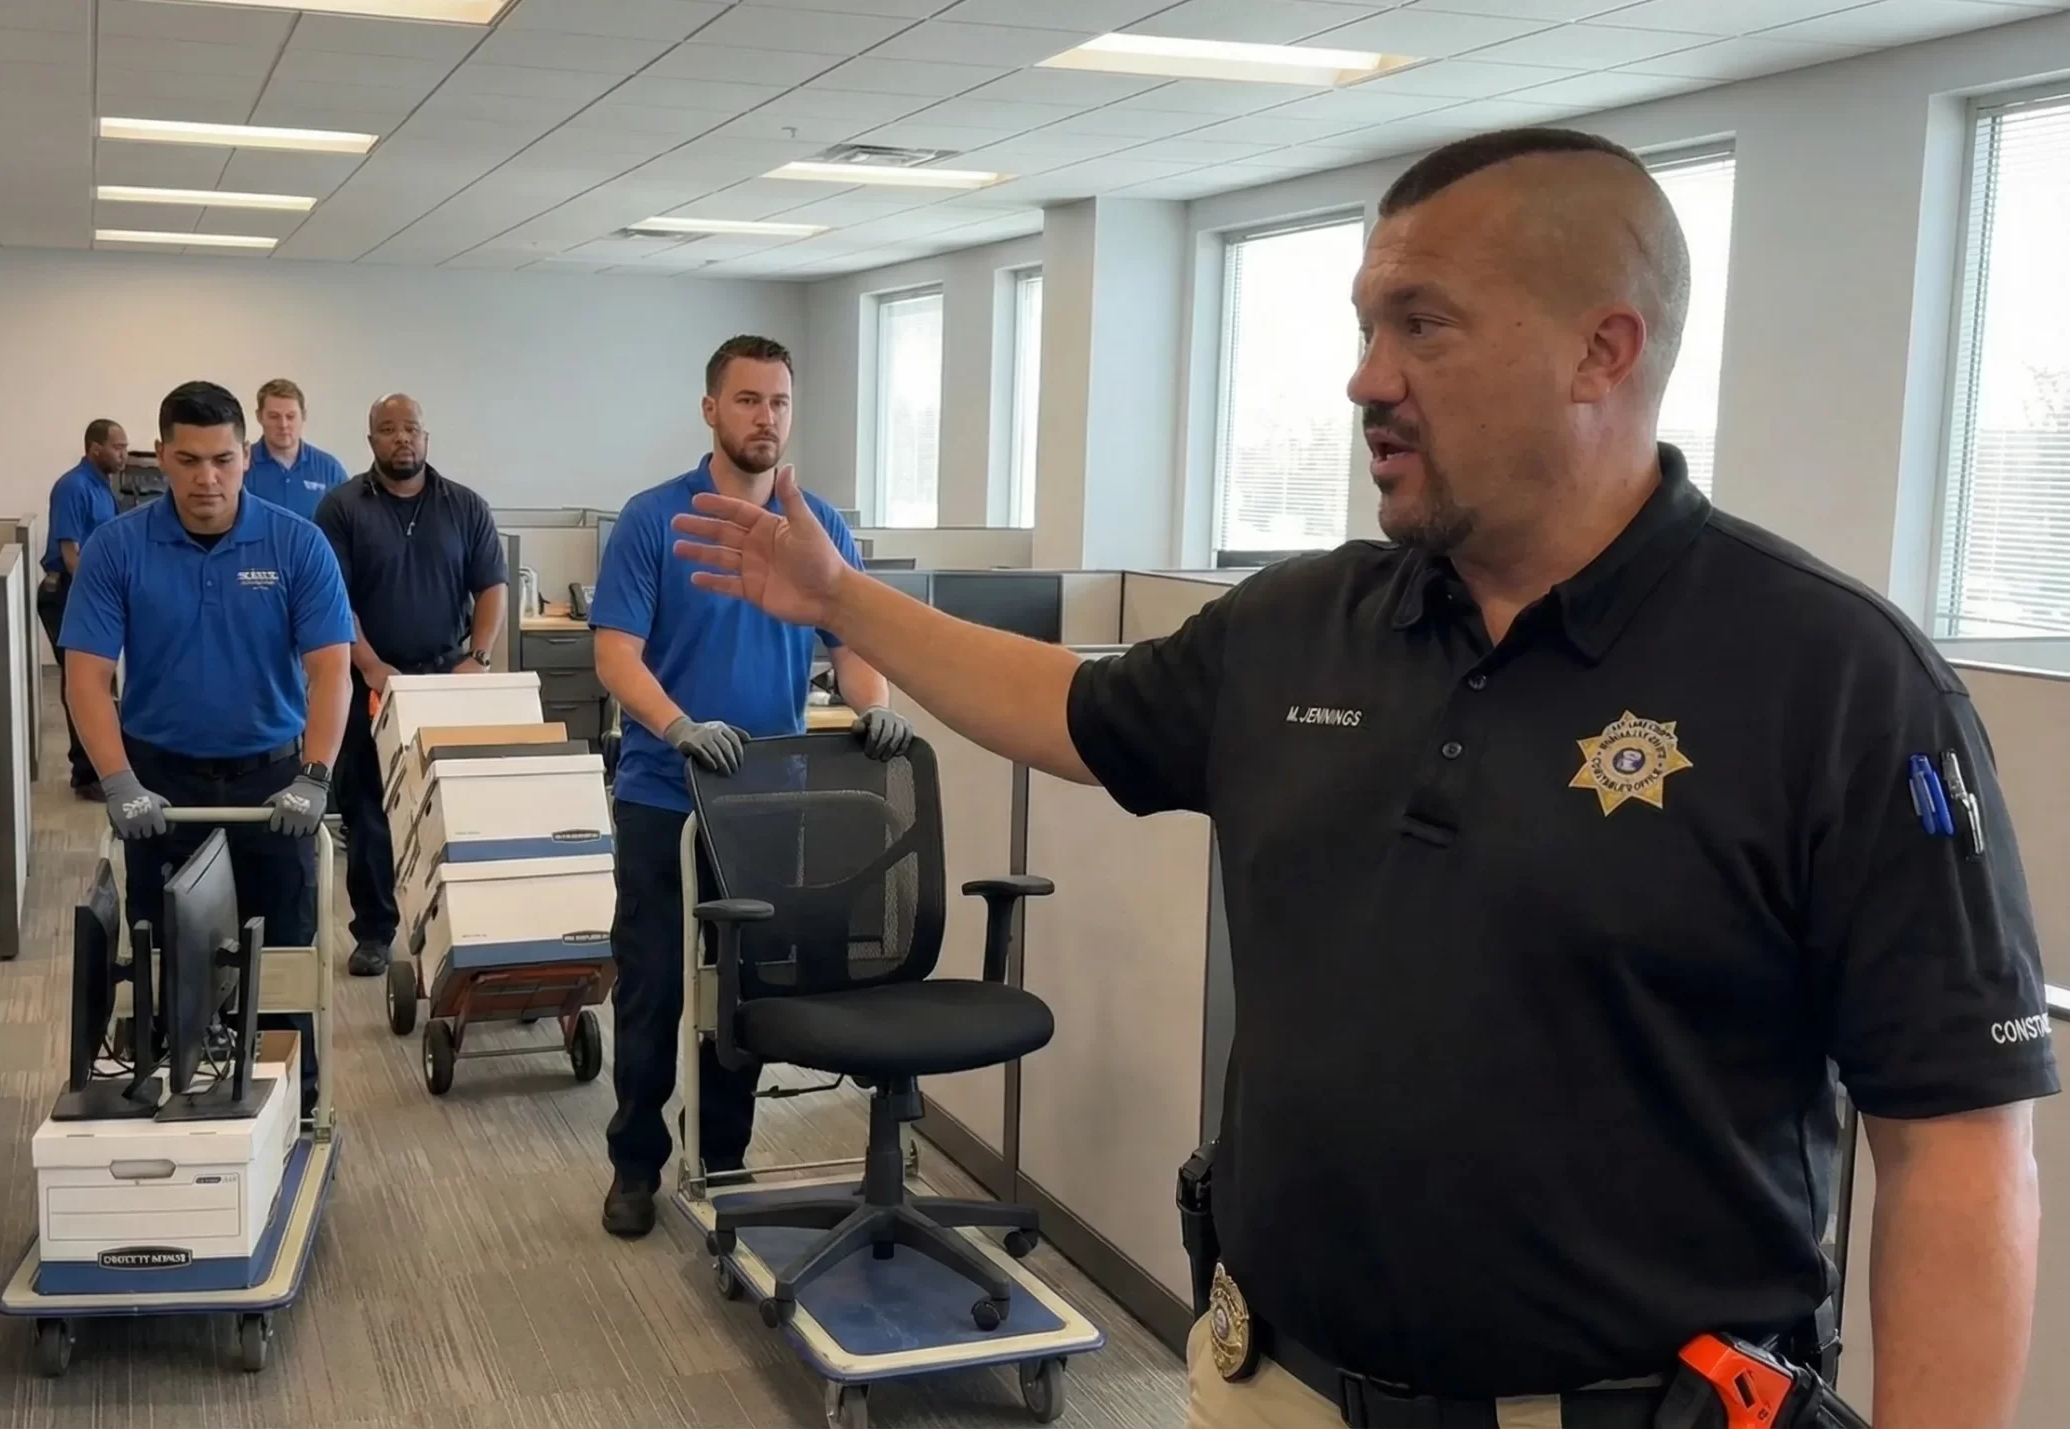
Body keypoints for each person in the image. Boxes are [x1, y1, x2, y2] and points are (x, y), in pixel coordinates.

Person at [672, 131, 2055, 1427]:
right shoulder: (1303, 622)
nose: (1366, 378)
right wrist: (841, 600)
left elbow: (1955, 1150)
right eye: (1364, 324)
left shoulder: (1833, 681)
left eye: (1423, 324)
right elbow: (1076, 713)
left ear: (1601, 351)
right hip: (1272, 1379)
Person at [591, 335, 914, 1239]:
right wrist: (678, 725)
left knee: (744, 991)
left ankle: (724, 1154)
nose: (763, 417)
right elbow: (614, 651)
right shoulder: (655, 518)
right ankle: (634, 1164)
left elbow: (852, 646)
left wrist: (871, 708)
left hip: (773, 800)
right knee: (655, 988)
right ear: (710, 410)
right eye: (745, 400)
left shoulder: (821, 526)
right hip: (666, 797)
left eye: (777, 401)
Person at [58, 380, 354, 1112]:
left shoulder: (296, 542)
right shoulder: (117, 547)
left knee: (281, 961)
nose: (206, 478)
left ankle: (294, 1110)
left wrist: (315, 776)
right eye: (187, 461)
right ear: (160, 457)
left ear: (247, 456)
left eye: (222, 459)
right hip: (162, 788)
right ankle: (173, 1107)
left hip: (272, 786)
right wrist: (120, 781)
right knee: (166, 969)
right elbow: (86, 679)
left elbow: (331, 671)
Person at [313, 392, 509, 977]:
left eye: (412, 429)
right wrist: (370, 664)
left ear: (427, 438)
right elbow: (331, 599)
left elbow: (492, 585)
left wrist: (478, 655)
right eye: (389, 429)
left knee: (457, 808)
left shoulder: (465, 506)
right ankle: (375, 931)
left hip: (448, 677)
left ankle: (467, 925)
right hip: (369, 682)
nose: (403, 439)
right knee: (371, 812)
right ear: (371, 439)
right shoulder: (342, 508)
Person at [38, 418, 126, 798]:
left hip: (88, 591)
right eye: (118, 447)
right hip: (69, 591)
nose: (124, 454)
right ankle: (85, 774)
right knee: (83, 682)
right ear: (95, 448)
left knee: (102, 683)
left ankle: (98, 767)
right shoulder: (74, 486)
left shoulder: (102, 486)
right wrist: (99, 594)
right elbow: (70, 553)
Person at [244, 377, 347, 523]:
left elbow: (347, 524)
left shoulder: (330, 469)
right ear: (259, 417)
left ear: (303, 415)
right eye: (274, 417)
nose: (283, 424)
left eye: (291, 416)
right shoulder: (241, 467)